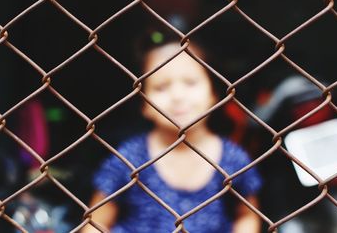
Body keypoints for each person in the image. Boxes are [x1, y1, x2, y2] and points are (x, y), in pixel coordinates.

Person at [81, 35, 263, 233]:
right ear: (144, 104)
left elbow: (247, 216)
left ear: (213, 94)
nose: (178, 96)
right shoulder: (129, 158)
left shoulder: (233, 158)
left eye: (191, 83)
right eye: (161, 87)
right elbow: (96, 222)